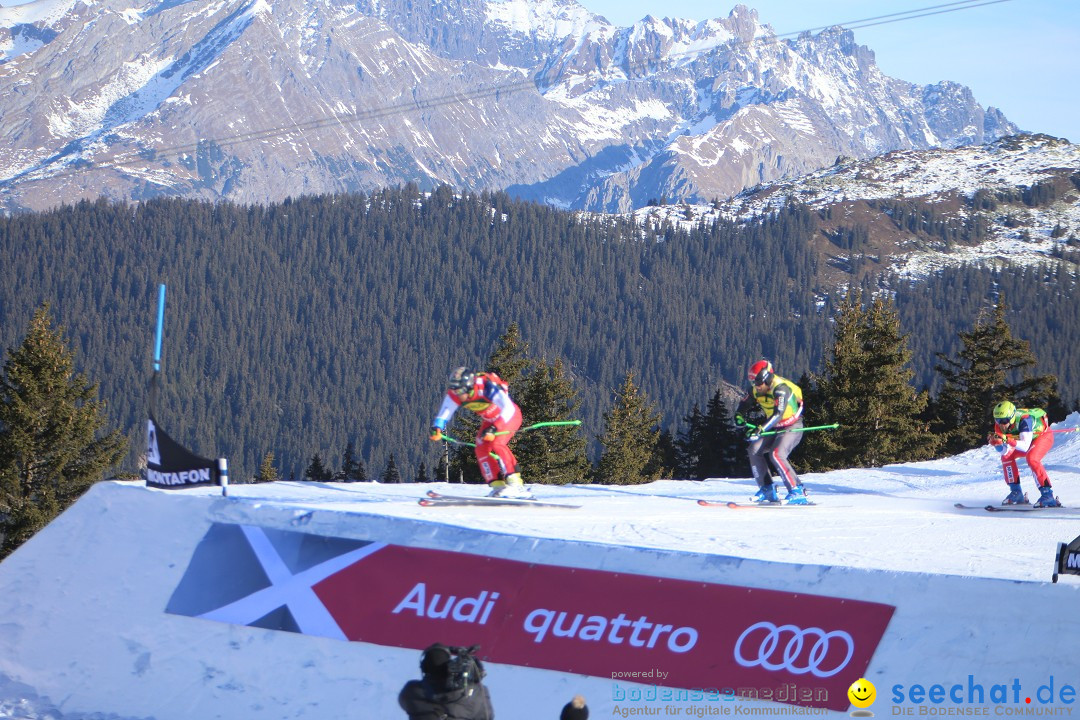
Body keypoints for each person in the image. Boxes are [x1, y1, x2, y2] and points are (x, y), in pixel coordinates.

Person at [430, 367, 532, 499]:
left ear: (470, 386)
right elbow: (446, 411)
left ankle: (516, 485)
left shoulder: (487, 388)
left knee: (497, 443)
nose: (458, 394)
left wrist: (495, 428)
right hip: (490, 420)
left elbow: (508, 408)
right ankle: (498, 486)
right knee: (481, 448)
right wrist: (437, 427)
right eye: (455, 390)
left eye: (461, 390)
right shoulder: (455, 393)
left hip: (509, 417)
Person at [734, 359, 809, 505]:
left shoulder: (780, 389)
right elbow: (744, 404)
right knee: (754, 449)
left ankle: (797, 490)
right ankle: (767, 488)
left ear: (767, 378)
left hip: (792, 426)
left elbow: (778, 414)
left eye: (759, 383)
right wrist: (738, 416)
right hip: (775, 427)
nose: (756, 387)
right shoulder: (756, 388)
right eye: (754, 383)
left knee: (776, 453)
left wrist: (761, 429)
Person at [989, 400, 1060, 507]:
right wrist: (997, 445)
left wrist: (1007, 439)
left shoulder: (1024, 419)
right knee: (1006, 457)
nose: (1001, 424)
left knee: (1032, 458)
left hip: (1042, 437)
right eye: (998, 420)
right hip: (1024, 439)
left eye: (1004, 420)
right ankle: (1016, 492)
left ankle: (1047, 495)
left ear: (1012, 417)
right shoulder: (999, 425)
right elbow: (1004, 451)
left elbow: (1025, 446)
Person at [399, 643, 494, 720]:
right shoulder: (474, 693)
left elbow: (403, 701)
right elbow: (487, 716)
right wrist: (474, 678)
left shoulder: (412, 692)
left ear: (424, 668)